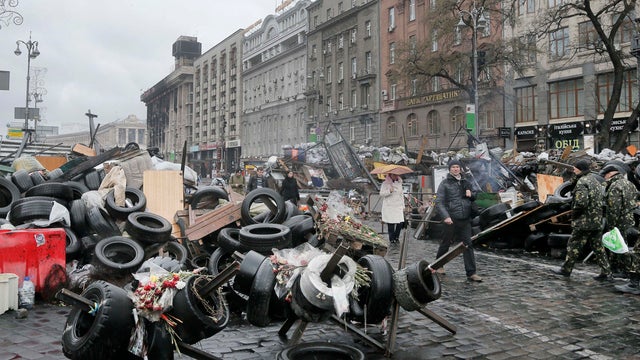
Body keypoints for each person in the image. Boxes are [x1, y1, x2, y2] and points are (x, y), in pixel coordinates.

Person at [552, 159, 612, 281]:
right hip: (596, 220)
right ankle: (607, 272)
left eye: (575, 168)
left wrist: (574, 214)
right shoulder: (594, 181)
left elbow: (581, 203)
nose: (573, 170)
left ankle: (566, 269)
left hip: (584, 221)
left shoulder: (582, 182)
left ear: (580, 169)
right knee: (598, 247)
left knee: (573, 244)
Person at [434, 159, 482, 282]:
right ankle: (439, 265)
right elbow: (439, 202)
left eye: (457, 167)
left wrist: (471, 194)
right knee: (446, 242)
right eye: (453, 167)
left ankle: (471, 273)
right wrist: (446, 216)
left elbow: (475, 196)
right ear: (449, 169)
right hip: (451, 218)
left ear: (460, 168)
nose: (455, 169)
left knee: (468, 245)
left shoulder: (466, 182)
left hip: (465, 218)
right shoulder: (445, 183)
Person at [600, 162, 636, 279]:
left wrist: (611, 225)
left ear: (610, 174)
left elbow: (614, 208)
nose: (604, 178)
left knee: (620, 245)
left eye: (605, 175)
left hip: (618, 221)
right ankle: (616, 268)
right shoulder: (629, 184)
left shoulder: (615, 186)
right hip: (629, 219)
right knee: (619, 244)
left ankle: (626, 270)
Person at [380, 173, 405, 243]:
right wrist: (389, 191)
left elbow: (401, 195)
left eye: (396, 175)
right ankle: (392, 239)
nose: (395, 176)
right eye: (394, 175)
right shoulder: (385, 183)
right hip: (389, 206)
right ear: (390, 175)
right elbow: (381, 194)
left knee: (400, 223)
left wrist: (403, 206)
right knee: (391, 224)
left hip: (398, 206)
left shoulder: (399, 183)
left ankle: (396, 237)